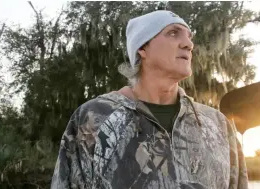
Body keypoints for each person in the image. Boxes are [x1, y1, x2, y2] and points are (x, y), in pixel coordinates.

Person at [51, 10, 249, 189]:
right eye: (173, 33)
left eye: (189, 37)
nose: (189, 44)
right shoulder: (92, 119)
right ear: (142, 49)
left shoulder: (217, 124)